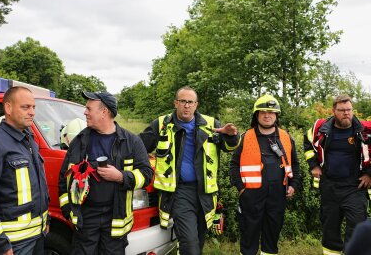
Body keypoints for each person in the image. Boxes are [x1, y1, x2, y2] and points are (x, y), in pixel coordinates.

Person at [139, 86, 239, 255]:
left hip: (205, 193)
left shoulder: (211, 124)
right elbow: (139, 147)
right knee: (190, 243)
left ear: (196, 105)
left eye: (190, 102)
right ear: (175, 103)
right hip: (179, 192)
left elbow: (230, 147)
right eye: (183, 101)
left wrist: (231, 136)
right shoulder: (162, 124)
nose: (186, 106)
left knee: (198, 241)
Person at [58, 91, 153, 255]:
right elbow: (64, 178)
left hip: (115, 220)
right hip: (86, 221)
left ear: (104, 112)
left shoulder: (131, 142)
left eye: (89, 108)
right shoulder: (80, 141)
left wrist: (121, 177)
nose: (85, 112)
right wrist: (69, 211)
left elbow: (146, 174)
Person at [0, 86, 50, 255]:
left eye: (33, 107)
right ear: (8, 108)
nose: (32, 112)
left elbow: (38, 186)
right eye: (25, 107)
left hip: (37, 236)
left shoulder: (28, 141)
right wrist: (0, 245)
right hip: (13, 244)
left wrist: (46, 220)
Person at [229, 94, 301, 255]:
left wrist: (294, 186)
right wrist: (241, 189)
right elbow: (233, 165)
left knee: (272, 238)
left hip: (278, 196)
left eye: (271, 112)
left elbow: (295, 164)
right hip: (251, 197)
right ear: (257, 115)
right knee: (248, 238)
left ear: (276, 115)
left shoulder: (286, 137)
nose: (267, 115)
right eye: (263, 112)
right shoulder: (245, 137)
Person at [304, 94, 371, 254]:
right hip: (329, 186)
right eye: (342, 110)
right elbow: (308, 144)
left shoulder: (364, 131)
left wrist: (369, 174)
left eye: (349, 110)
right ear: (334, 111)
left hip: (355, 187)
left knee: (357, 225)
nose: (346, 113)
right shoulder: (321, 128)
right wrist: (313, 165)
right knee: (330, 229)